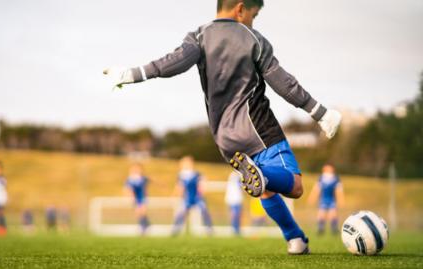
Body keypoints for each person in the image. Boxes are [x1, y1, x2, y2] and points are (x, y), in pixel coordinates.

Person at [103, 0, 341, 254]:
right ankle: (264, 177)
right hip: (258, 127)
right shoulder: (254, 39)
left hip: (224, 139)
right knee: (294, 186)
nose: (253, 21)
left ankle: (296, 239)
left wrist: (130, 74)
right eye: (254, 15)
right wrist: (320, 112)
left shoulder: (199, 36)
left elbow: (171, 64)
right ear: (240, 9)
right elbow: (284, 83)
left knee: (265, 189)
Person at [171, 156, 213, 236]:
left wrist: (202, 188)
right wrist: (175, 195)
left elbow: (202, 183)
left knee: (204, 211)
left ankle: (209, 229)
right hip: (187, 198)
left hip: (197, 197)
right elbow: (179, 187)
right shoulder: (181, 175)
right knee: (181, 213)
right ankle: (175, 230)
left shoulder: (196, 174)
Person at [308, 164, 345, 235]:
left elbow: (338, 191)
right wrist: (312, 197)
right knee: (321, 214)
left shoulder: (336, 179)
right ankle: (320, 229)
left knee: (333, 215)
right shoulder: (321, 178)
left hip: (332, 199)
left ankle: (334, 230)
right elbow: (316, 189)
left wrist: (341, 199)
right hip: (323, 199)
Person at [124, 163, 150, 235]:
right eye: (134, 169)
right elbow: (127, 188)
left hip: (143, 198)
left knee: (143, 211)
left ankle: (144, 226)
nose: (136, 171)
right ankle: (144, 226)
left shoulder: (143, 178)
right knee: (138, 213)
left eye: (138, 169)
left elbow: (145, 187)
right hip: (135, 199)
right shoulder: (130, 179)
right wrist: (130, 196)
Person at [225, 171, 244, 235]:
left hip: (236, 199)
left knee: (237, 215)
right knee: (235, 215)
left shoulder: (238, 176)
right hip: (233, 199)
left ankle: (237, 230)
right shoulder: (235, 176)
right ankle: (235, 230)